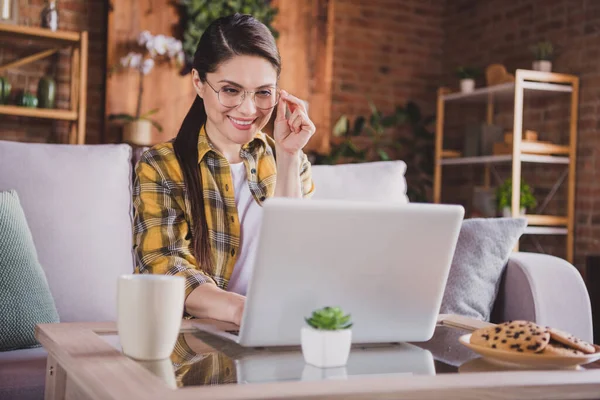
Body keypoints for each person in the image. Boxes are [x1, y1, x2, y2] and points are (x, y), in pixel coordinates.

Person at [132, 14, 315, 326]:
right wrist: (244, 311)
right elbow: (164, 266)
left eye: (263, 92)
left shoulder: (291, 159)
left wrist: (287, 156)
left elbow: (298, 264)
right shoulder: (160, 165)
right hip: (194, 343)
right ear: (198, 83)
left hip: (276, 333)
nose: (248, 109)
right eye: (230, 90)